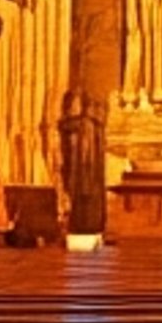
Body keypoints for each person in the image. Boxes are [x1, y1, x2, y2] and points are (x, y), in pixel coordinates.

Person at [55, 88, 109, 242]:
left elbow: (66, 127)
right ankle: (85, 224)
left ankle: (85, 225)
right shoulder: (89, 125)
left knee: (83, 199)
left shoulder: (86, 125)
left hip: (84, 172)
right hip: (82, 172)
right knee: (81, 199)